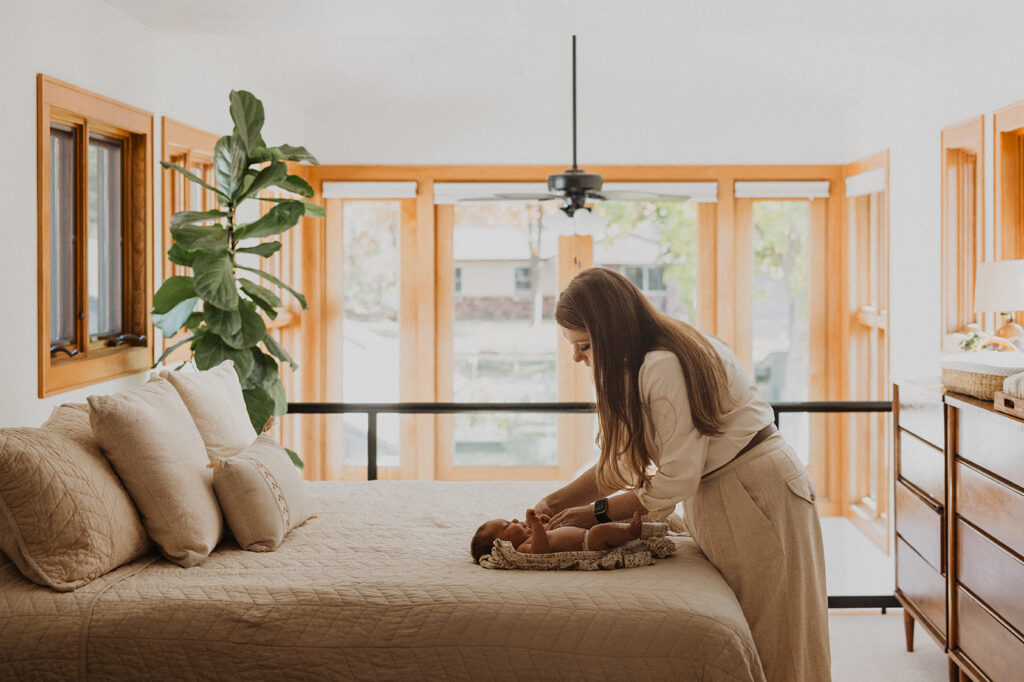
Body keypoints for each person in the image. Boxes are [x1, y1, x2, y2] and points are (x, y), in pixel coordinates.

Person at [534, 267, 830, 682]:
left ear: (611, 332)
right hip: (735, 489)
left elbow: (674, 479)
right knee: (765, 638)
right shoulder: (645, 361)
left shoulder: (662, 364)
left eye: (583, 345)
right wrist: (554, 502)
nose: (576, 358)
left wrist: (596, 514)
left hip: (755, 491)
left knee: (779, 642)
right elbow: (621, 463)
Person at [471, 509, 643, 563]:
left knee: (600, 528)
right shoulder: (522, 549)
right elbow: (541, 550)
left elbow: (549, 536)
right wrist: (537, 526)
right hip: (588, 544)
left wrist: (544, 524)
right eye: (507, 525)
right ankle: (630, 532)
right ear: (502, 545)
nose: (514, 520)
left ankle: (626, 531)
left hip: (585, 537)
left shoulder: (528, 537)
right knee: (600, 531)